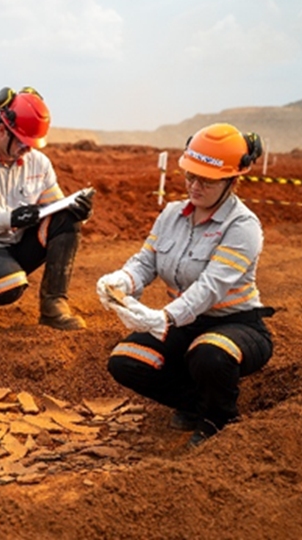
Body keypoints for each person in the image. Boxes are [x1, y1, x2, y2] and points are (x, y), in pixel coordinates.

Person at [96, 122, 274, 448]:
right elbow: (146, 261)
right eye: (190, 176)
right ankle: (195, 403)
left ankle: (218, 419)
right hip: (186, 323)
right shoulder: (171, 214)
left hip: (235, 325)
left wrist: (163, 318)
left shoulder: (243, 226)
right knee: (124, 360)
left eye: (206, 180)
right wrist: (122, 279)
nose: (194, 186)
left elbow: (210, 288)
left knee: (208, 354)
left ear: (232, 181)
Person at [0, 86, 94, 332]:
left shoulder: (39, 162)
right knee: (11, 285)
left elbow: (56, 209)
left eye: (32, 144)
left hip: (17, 248)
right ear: (3, 130)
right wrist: (10, 219)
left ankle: (53, 307)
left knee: (67, 217)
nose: (29, 149)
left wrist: (80, 212)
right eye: (24, 143)